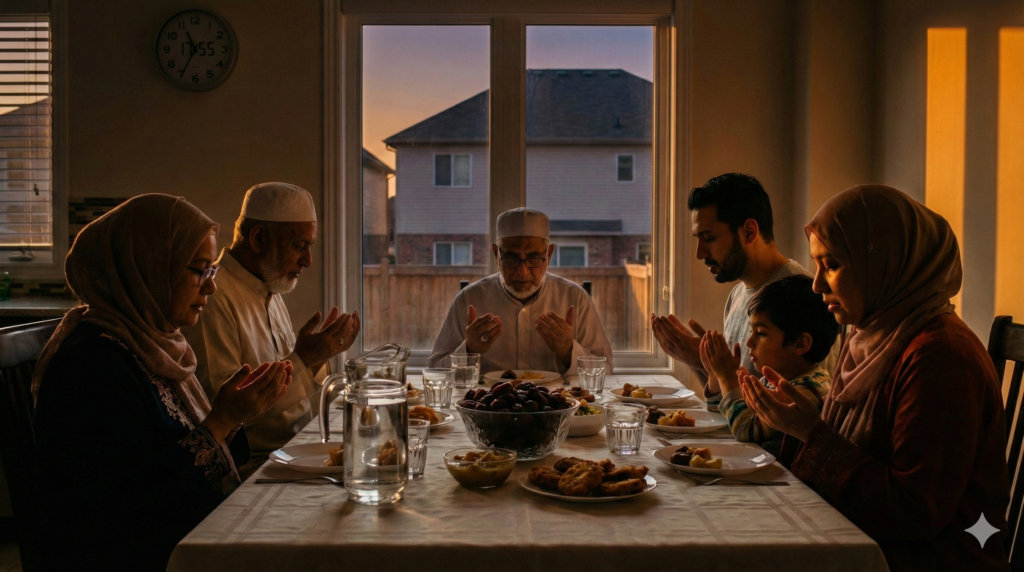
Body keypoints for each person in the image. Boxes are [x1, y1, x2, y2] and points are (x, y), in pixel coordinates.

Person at [737, 185, 1010, 571]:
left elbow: (916, 511)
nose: (817, 285)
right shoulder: (870, 335)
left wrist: (810, 433)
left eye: (830, 265)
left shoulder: (940, 356)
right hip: (860, 540)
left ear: (885, 261)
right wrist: (796, 428)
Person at [33, 194, 292, 572]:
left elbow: (179, 452)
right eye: (199, 270)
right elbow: (138, 506)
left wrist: (234, 417)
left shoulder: (154, 344)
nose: (210, 287)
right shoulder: (92, 364)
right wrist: (219, 421)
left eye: (212, 271)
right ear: (148, 267)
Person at [184, 182, 360, 478]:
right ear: (259, 238)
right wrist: (304, 358)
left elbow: (291, 395)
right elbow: (226, 415)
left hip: (295, 452)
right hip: (252, 470)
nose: (307, 261)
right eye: (299, 246)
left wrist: (316, 358)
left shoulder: (270, 288)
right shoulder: (213, 297)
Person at [651, 173, 837, 395]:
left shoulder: (805, 298)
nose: (700, 253)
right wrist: (699, 362)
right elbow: (729, 406)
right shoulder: (737, 295)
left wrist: (701, 360)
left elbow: (810, 405)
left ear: (748, 231)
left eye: (709, 238)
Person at [429, 207, 613, 375]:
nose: (522, 271)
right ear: (496, 254)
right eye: (511, 258)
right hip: (487, 408)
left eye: (533, 258)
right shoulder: (470, 298)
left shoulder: (575, 298)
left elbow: (605, 369)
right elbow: (436, 368)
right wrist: (469, 350)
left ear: (548, 254)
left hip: (559, 406)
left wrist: (568, 351)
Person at [698, 275, 839, 457]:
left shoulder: (805, 392)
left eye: (761, 333)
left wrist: (728, 379)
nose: (749, 342)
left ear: (799, 344)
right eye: (751, 331)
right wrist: (715, 376)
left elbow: (744, 429)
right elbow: (725, 418)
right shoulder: (777, 378)